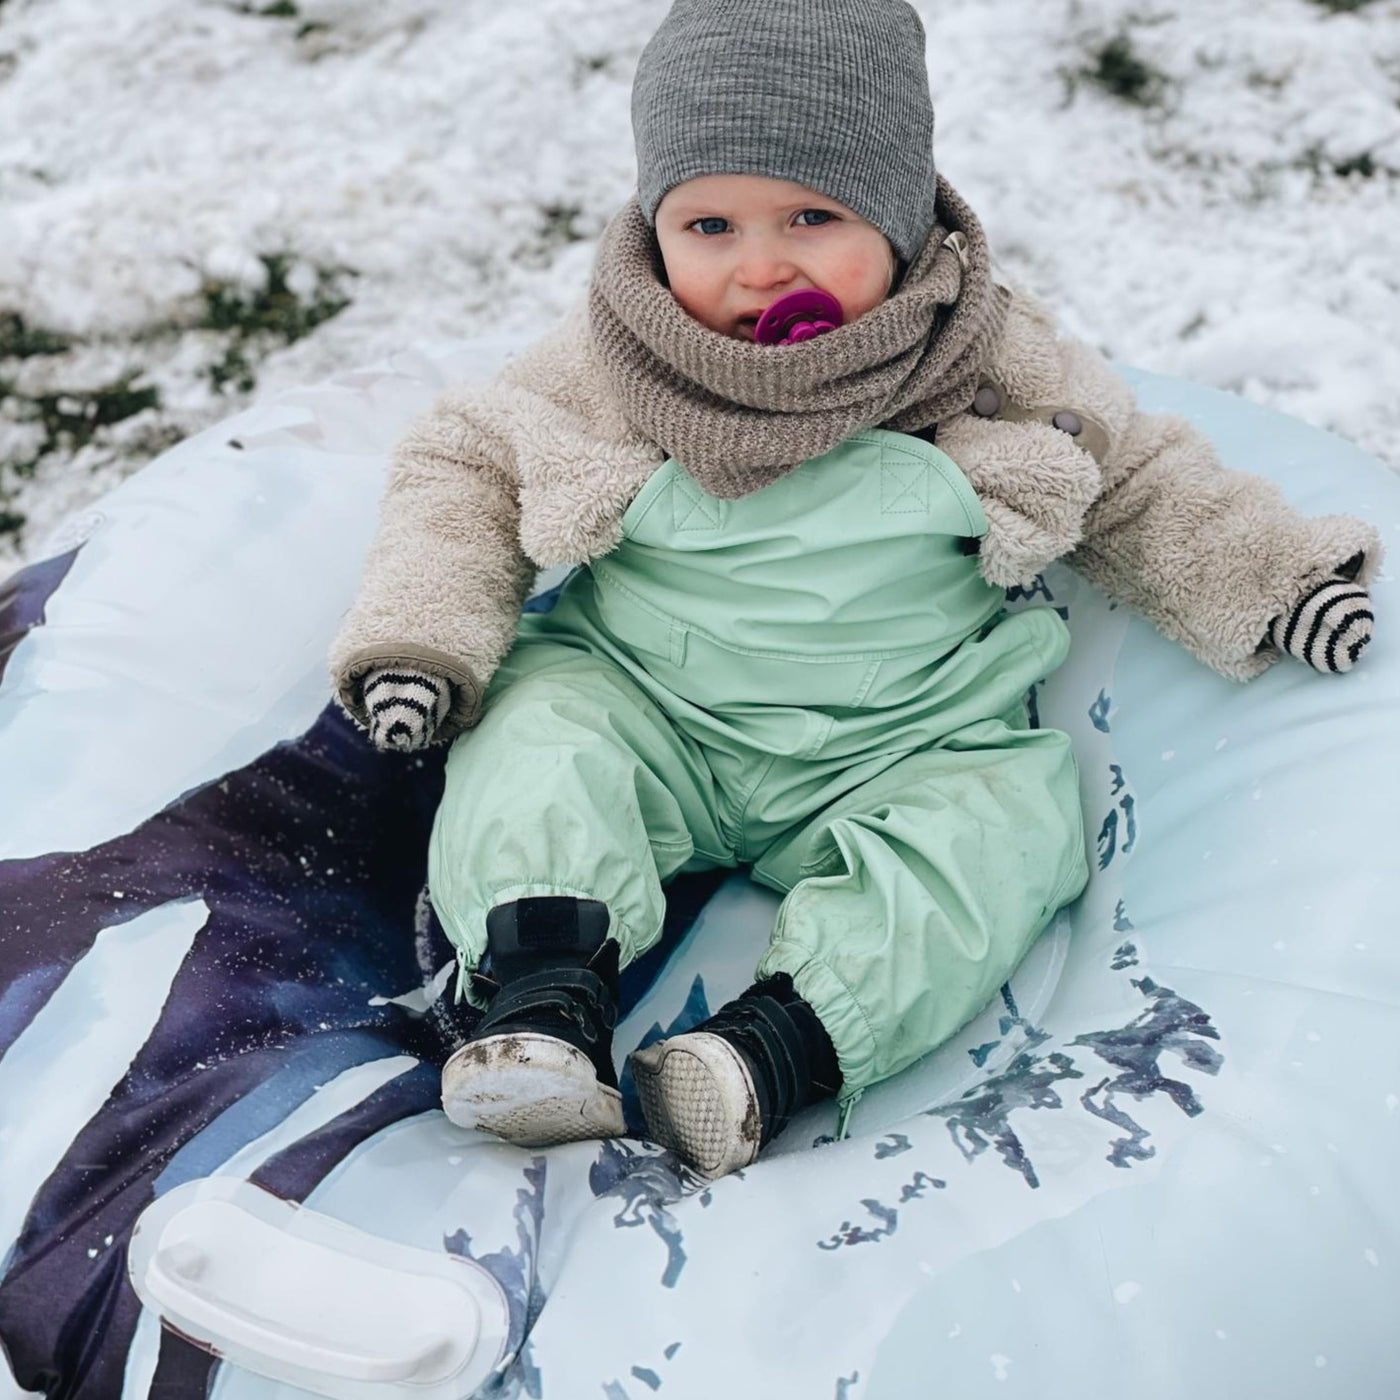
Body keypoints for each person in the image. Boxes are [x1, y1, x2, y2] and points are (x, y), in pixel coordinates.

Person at [328, 0, 1380, 1180]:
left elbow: (1132, 472)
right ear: (652, 224)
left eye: (812, 218)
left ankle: (766, 1051)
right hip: (650, 710)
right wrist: (421, 637)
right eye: (709, 222)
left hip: (899, 741)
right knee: (537, 731)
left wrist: (1271, 578)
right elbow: (466, 463)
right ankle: (539, 994)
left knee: (1006, 831)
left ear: (898, 216)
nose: (757, 265)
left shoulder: (978, 353)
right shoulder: (616, 353)